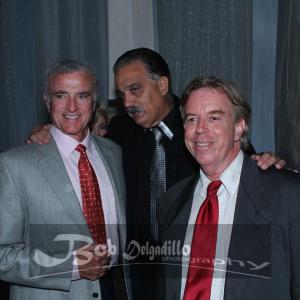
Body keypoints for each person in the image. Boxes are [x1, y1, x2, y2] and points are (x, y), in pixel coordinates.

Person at [26, 48, 285, 299]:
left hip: (197, 271)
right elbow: (78, 144)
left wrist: (266, 161)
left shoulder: (199, 132)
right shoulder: (120, 133)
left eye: (135, 89)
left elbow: (243, 164)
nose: (127, 102)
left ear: (162, 85)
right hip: (137, 277)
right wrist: (48, 131)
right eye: (121, 93)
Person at [158, 76, 300, 300]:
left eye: (214, 118)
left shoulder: (287, 194)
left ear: (238, 128)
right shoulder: (172, 202)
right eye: (192, 119)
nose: (200, 130)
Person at [0, 59, 130, 300]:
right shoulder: (14, 165)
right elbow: (3, 256)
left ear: (94, 102)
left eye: (82, 95)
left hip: (115, 289)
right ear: (47, 101)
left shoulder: (113, 152)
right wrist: (72, 267)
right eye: (61, 95)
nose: (72, 107)